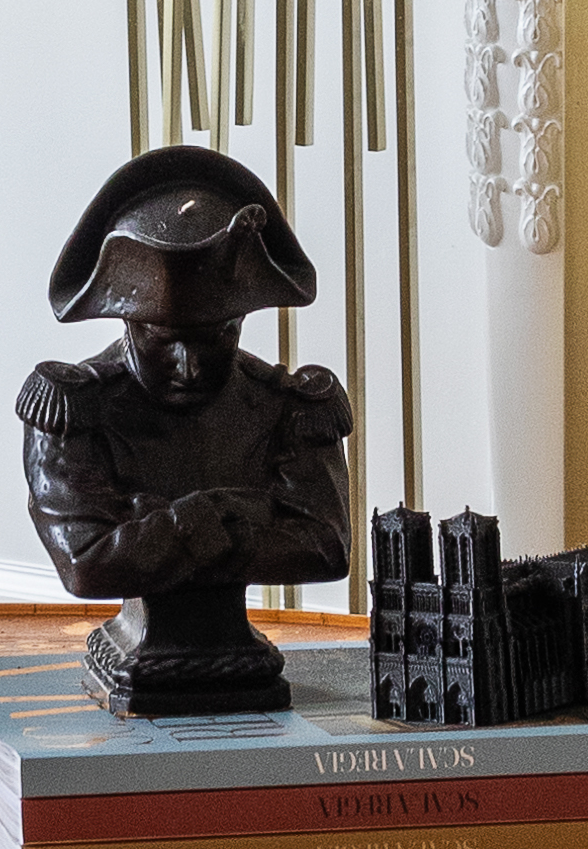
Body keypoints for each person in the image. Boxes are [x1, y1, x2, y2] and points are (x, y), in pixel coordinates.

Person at [20, 144, 356, 715]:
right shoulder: (73, 409)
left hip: (243, 668)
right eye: (160, 338)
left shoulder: (291, 405)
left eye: (216, 336)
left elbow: (323, 549)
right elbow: (88, 563)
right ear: (126, 319)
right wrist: (234, 512)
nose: (189, 364)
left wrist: (155, 522)